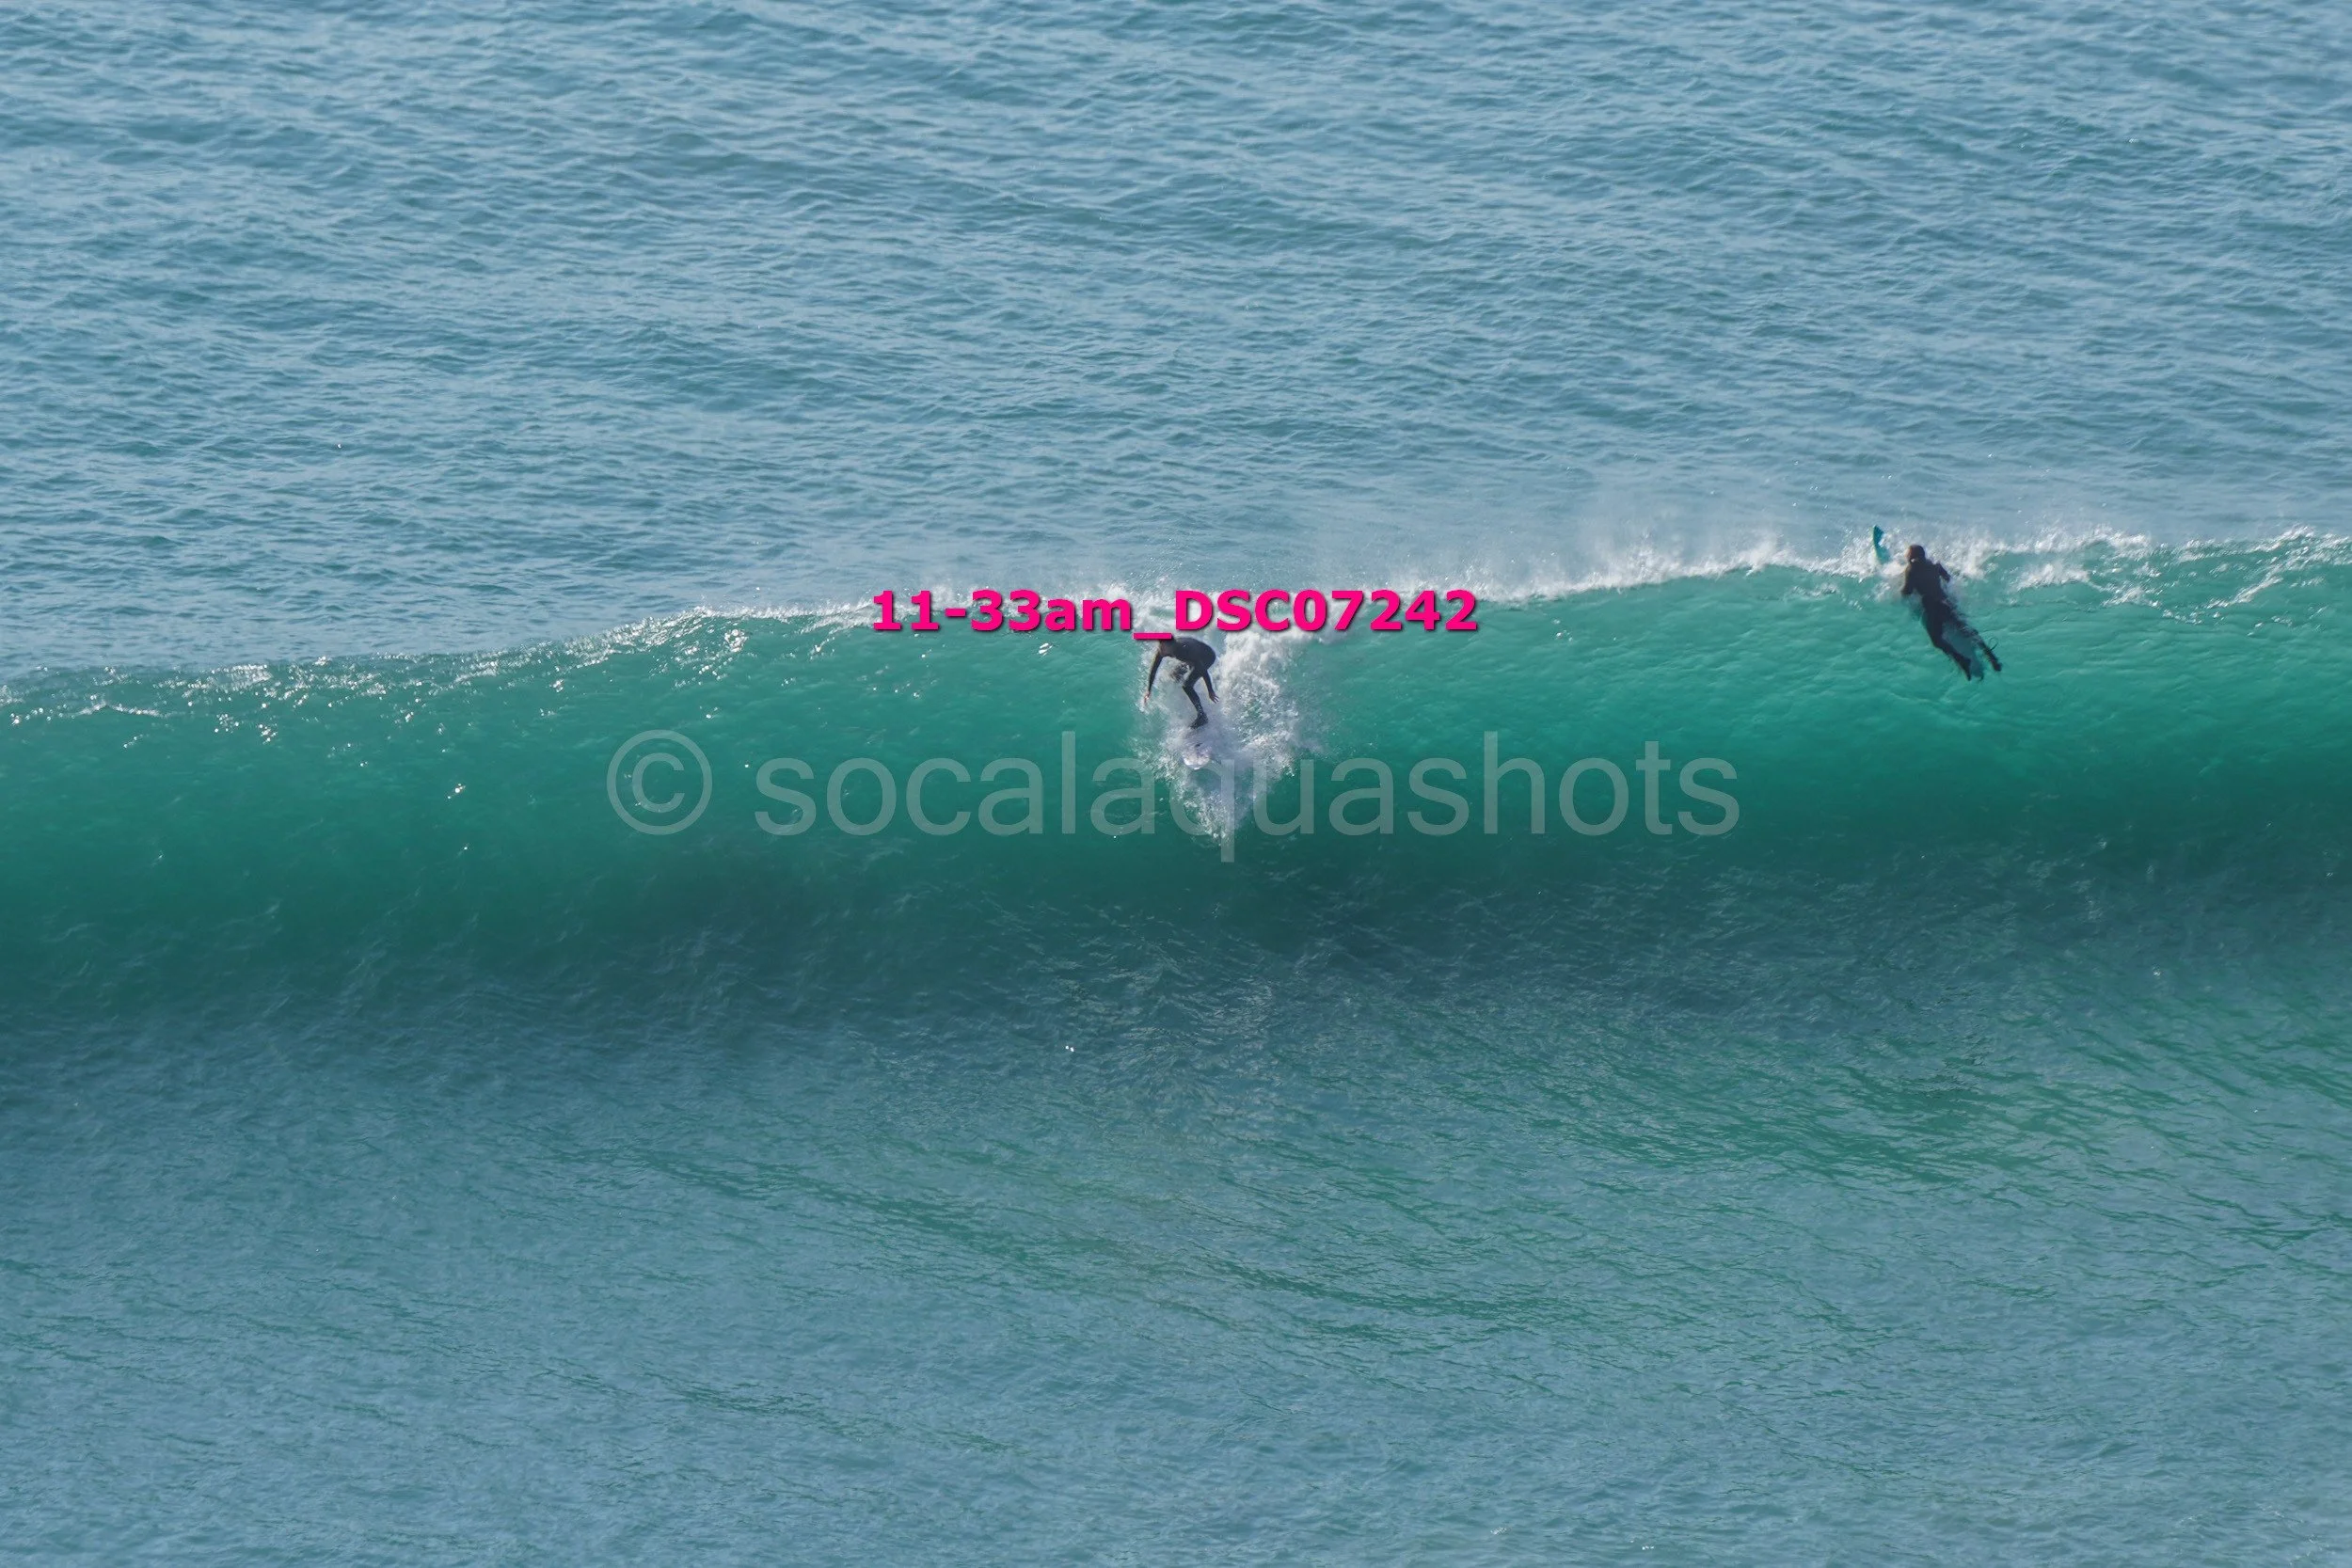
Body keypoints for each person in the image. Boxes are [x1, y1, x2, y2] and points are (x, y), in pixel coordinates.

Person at [1899, 544, 2000, 678]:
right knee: (1966, 630)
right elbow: (1948, 579)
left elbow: (1907, 592)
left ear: (1912, 557)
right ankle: (1990, 655)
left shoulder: (1911, 570)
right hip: (1946, 603)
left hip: (1932, 609)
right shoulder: (1935, 565)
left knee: (1937, 640)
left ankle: (1961, 660)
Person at [1146, 635, 1219, 728]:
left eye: (1163, 647)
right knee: (1175, 675)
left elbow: (1202, 669)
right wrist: (1149, 689)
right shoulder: (1164, 651)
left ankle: (1202, 716)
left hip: (1207, 657)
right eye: (1160, 646)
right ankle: (1190, 695)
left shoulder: (1183, 651)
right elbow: (1154, 668)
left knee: (1187, 686)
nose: (1160, 650)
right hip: (1194, 656)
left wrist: (1210, 690)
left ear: (1170, 646)